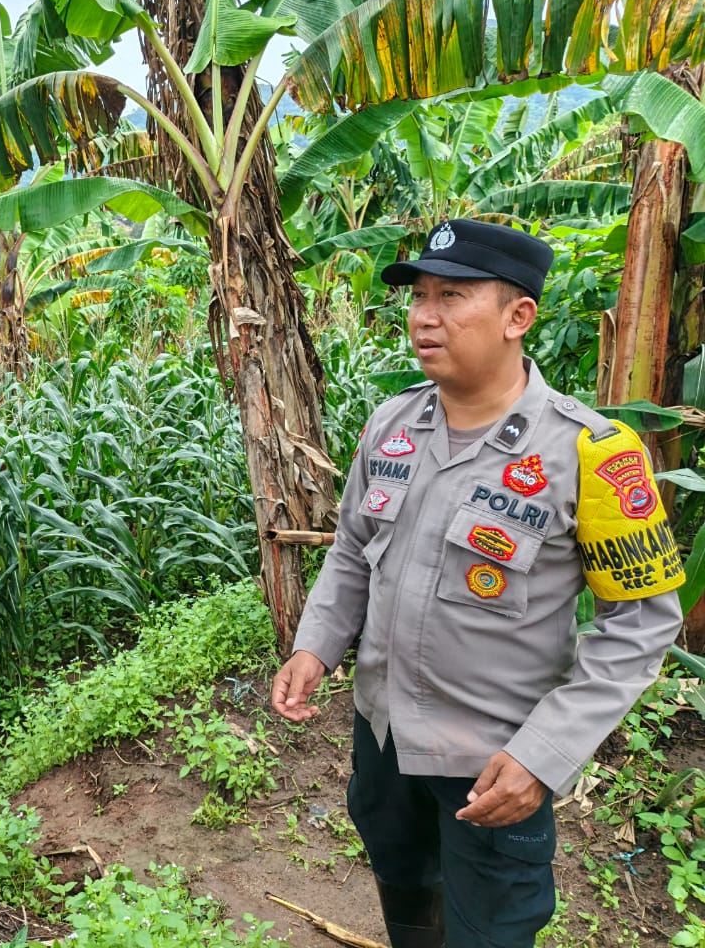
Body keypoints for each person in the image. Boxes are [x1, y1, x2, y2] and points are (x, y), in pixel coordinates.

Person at [270, 218, 684, 948]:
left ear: (518, 316)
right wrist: (316, 645)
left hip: (495, 762)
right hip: (383, 736)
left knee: (489, 929)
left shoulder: (590, 452)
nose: (424, 317)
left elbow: (641, 623)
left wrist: (544, 755)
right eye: (419, 296)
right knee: (404, 885)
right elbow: (353, 549)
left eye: (452, 296)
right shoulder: (391, 425)